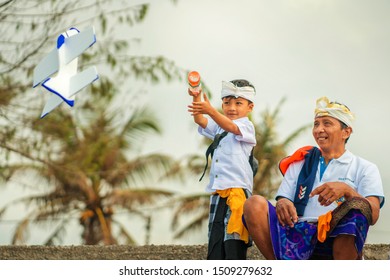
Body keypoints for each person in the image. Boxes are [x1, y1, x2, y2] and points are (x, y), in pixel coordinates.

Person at [243, 96, 385, 260]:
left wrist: (347, 190)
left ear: (346, 132)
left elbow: (373, 215)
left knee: (357, 210)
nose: (319, 129)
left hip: (336, 235)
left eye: (327, 123)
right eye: (316, 124)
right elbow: (284, 198)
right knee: (253, 204)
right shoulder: (300, 162)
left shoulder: (365, 167)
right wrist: (284, 201)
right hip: (296, 234)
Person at [187, 79, 257, 259]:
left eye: (238, 103)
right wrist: (196, 98)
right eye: (227, 103)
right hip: (218, 192)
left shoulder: (246, 126)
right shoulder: (219, 127)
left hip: (237, 193)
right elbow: (201, 120)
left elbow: (232, 127)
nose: (232, 107)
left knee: (233, 241)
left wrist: (211, 111)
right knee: (216, 240)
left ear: (250, 107)